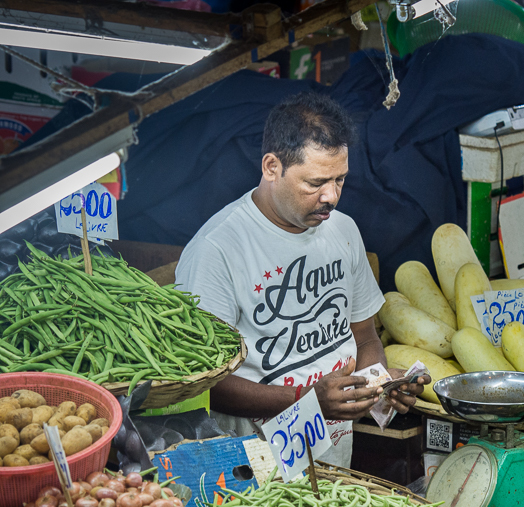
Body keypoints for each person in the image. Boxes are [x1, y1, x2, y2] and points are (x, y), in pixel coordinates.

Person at [175, 92, 429, 467]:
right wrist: (306, 400)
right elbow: (205, 384)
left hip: (335, 455)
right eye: (315, 182)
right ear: (272, 166)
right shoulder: (217, 250)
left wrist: (378, 384)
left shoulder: (343, 231)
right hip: (255, 464)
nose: (332, 196)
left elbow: (365, 335)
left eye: (340, 179)